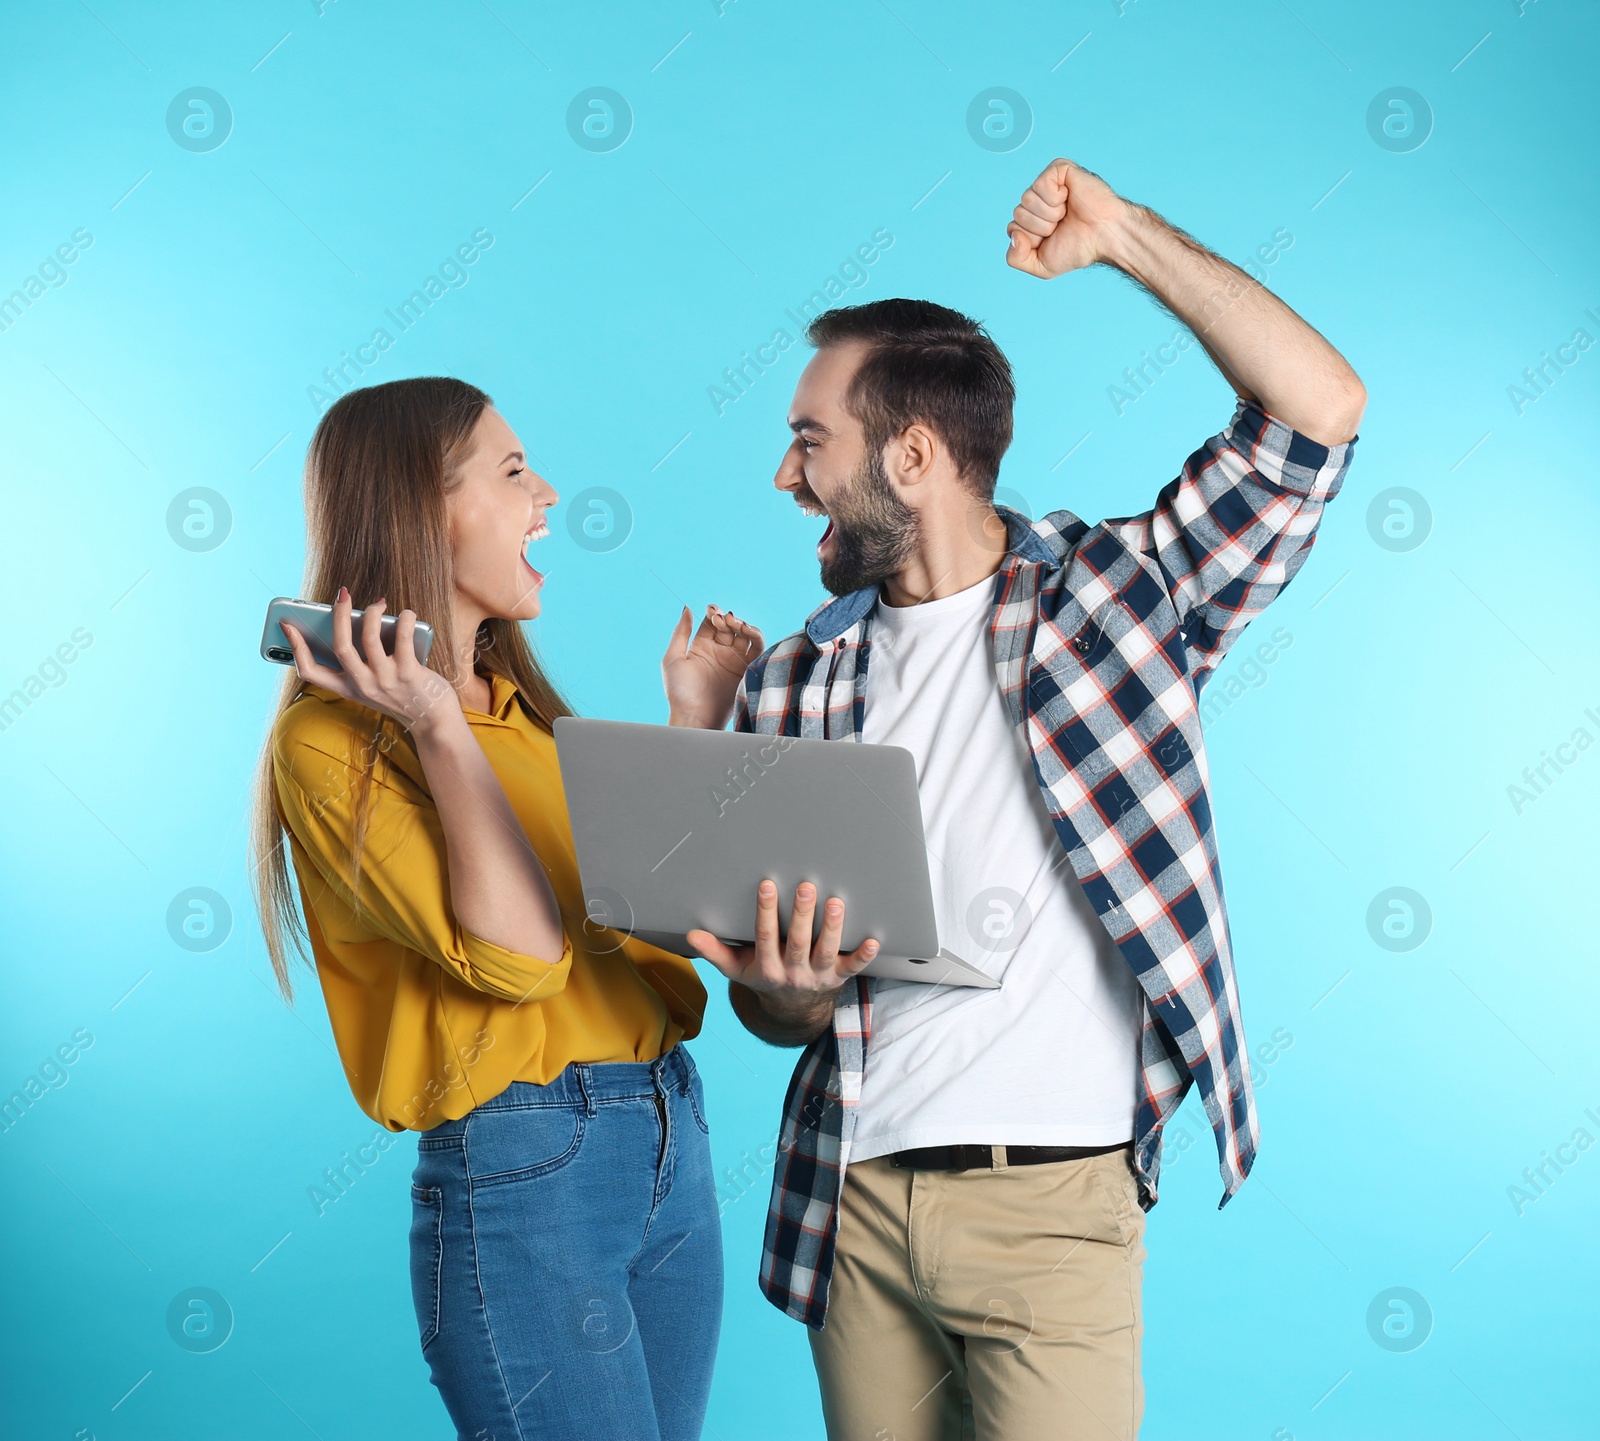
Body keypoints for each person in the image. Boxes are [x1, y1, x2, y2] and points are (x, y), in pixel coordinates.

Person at [682, 157, 1366, 1439]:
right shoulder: (786, 682)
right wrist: (783, 985)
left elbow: (1320, 410)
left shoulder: (1121, 594)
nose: (784, 475)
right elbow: (776, 1017)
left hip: (1054, 1207)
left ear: (917, 453)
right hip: (853, 1204)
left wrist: (1121, 237)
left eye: (809, 439)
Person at [250, 377, 761, 1441]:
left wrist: (691, 726)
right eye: (514, 470)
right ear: (415, 509)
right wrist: (434, 716)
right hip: (528, 1166)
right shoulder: (333, 746)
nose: (551, 494)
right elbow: (523, 958)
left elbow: (651, 933)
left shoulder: (536, 727)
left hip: (670, 1130)